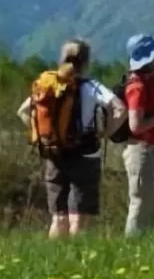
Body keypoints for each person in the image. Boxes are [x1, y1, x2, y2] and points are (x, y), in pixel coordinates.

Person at [18, 40, 127, 238]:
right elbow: (119, 109)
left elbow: (23, 111)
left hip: (55, 153)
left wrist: (42, 136)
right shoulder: (91, 86)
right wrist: (107, 133)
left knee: (58, 217)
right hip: (86, 155)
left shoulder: (48, 84)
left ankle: (53, 262)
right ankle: (78, 262)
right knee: (79, 217)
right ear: (86, 62)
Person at [123, 34, 154, 237]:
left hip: (152, 148)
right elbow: (136, 125)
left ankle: (144, 242)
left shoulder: (149, 82)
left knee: (150, 201)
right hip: (142, 149)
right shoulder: (138, 87)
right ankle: (133, 246)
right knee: (140, 202)